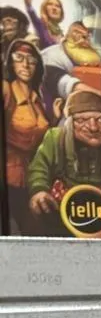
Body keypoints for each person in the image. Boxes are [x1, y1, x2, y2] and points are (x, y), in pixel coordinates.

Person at [26, 87, 101, 232]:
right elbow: (39, 168)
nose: (93, 127)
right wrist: (39, 190)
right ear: (70, 122)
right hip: (62, 211)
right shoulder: (55, 138)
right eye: (82, 120)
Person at [3, 39, 49, 233]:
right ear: (11, 63)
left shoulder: (37, 98)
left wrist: (55, 118)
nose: (25, 64)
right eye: (19, 58)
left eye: (31, 60)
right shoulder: (6, 89)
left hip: (29, 179)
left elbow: (40, 139)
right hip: (7, 177)